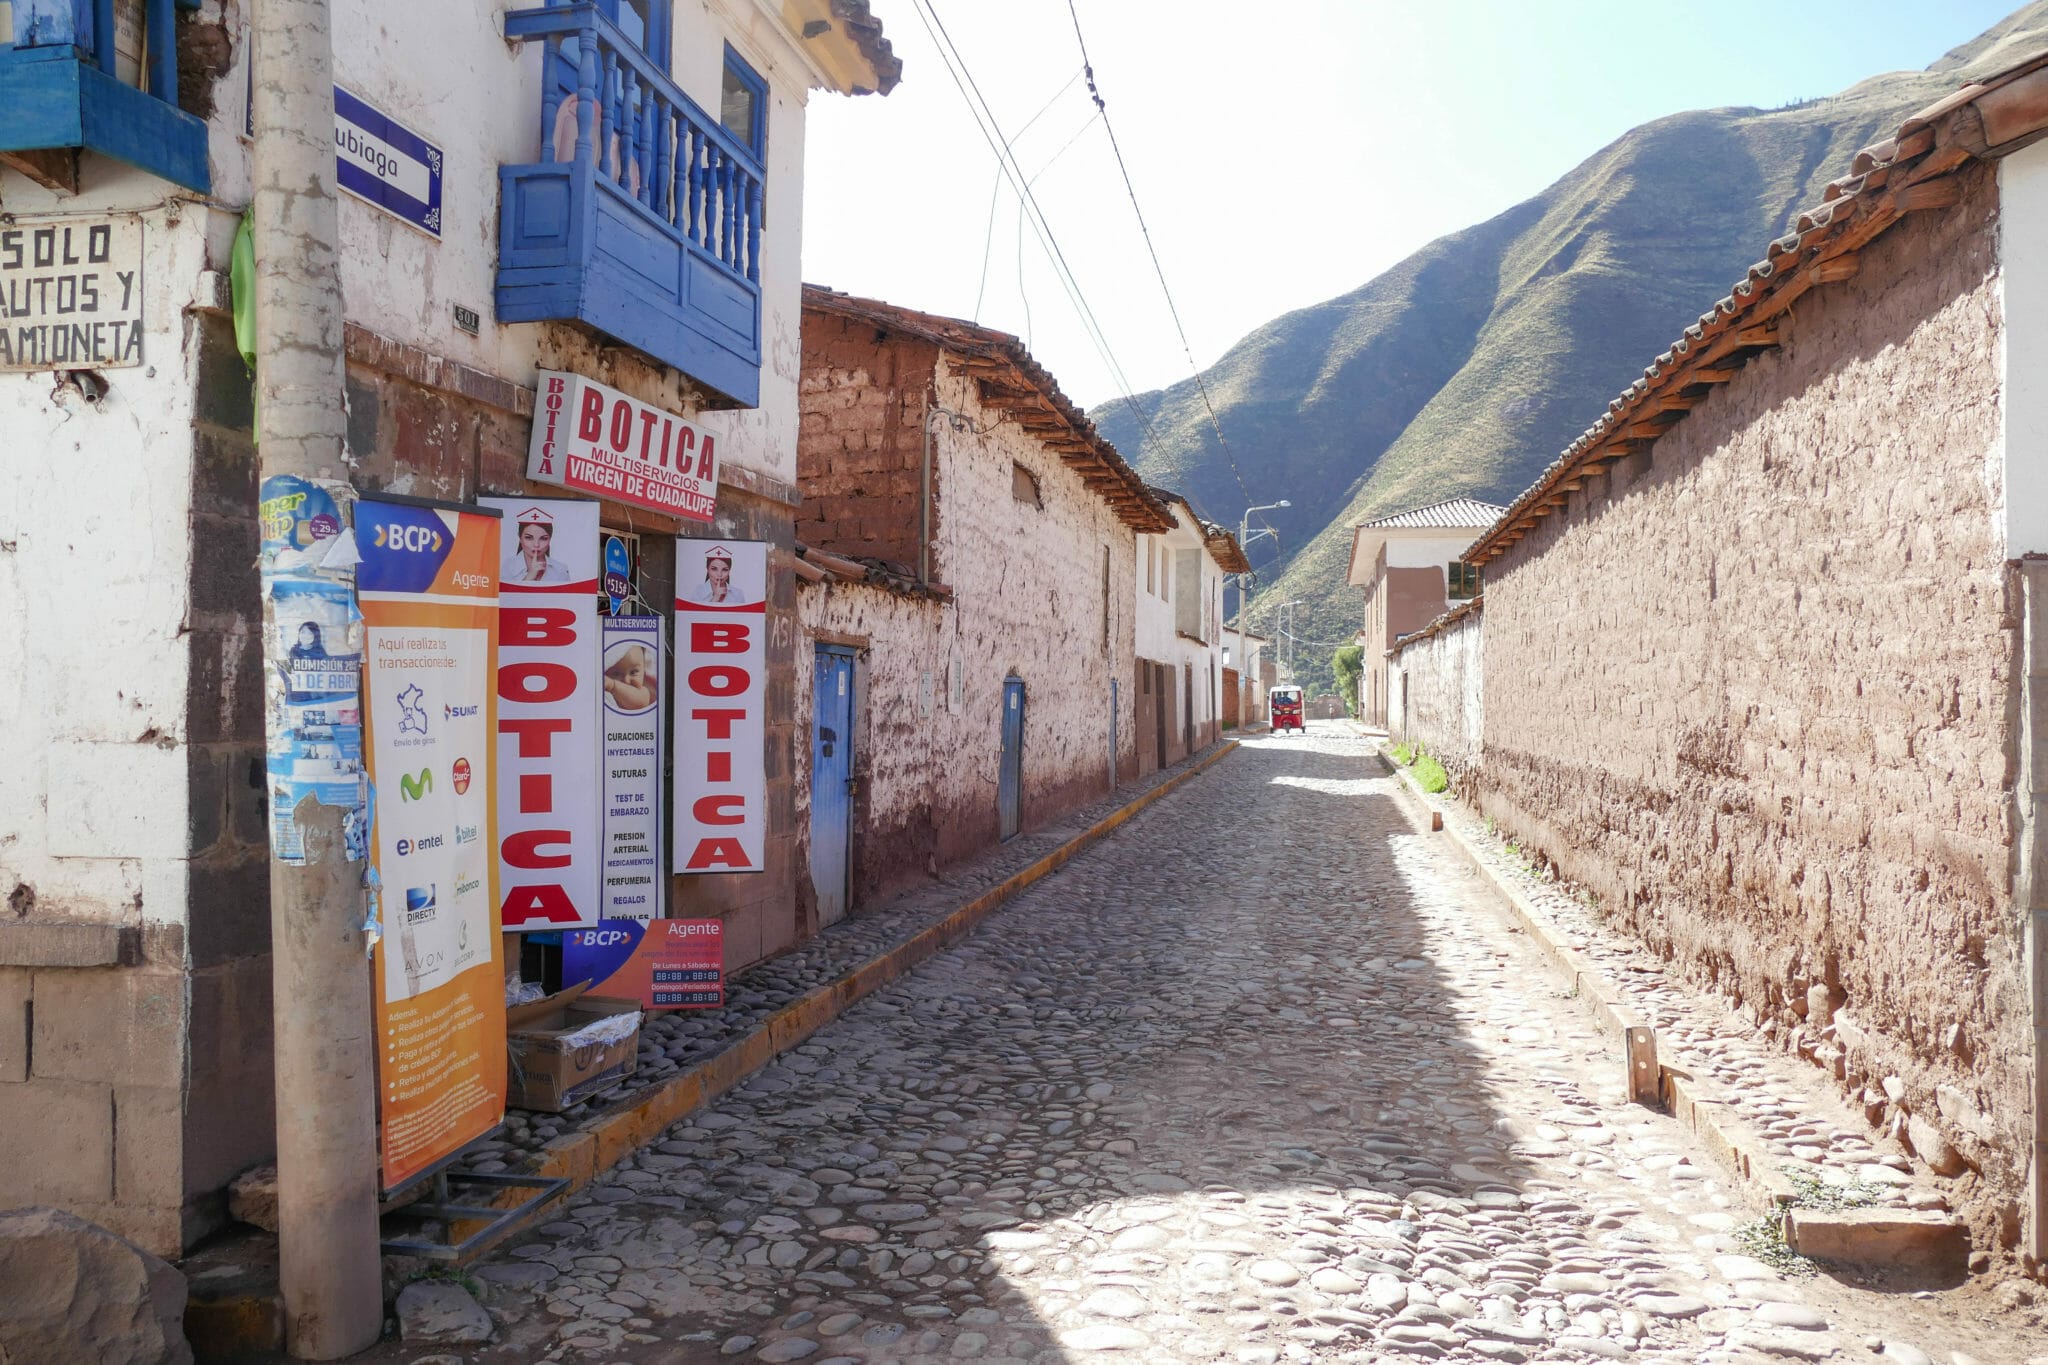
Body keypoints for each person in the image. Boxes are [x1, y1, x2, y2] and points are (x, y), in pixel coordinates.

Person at [504, 507, 573, 583]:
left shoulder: (561, 570)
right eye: (529, 538)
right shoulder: (507, 567)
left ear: (550, 539)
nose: (536, 545)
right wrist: (530, 576)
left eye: (543, 538)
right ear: (520, 538)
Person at [684, 545, 752, 604]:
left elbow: (740, 618)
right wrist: (715, 598)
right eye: (714, 569)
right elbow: (695, 616)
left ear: (729, 571)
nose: (719, 574)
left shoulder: (738, 594)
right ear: (707, 569)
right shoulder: (698, 591)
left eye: (724, 570)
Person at [603, 644, 657, 711]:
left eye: (633, 672)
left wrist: (612, 685)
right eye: (616, 674)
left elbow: (639, 703)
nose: (626, 681)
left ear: (644, 671)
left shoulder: (643, 692)